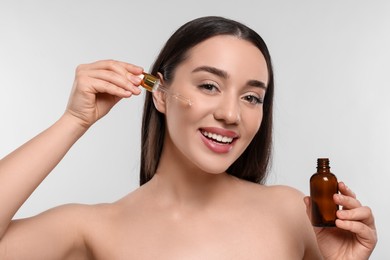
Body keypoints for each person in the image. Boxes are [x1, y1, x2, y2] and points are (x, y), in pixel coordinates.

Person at [0, 16, 377, 259]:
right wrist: (73, 121)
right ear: (160, 93)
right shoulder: (93, 229)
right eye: (210, 85)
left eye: (251, 97)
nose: (231, 114)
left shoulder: (292, 212)